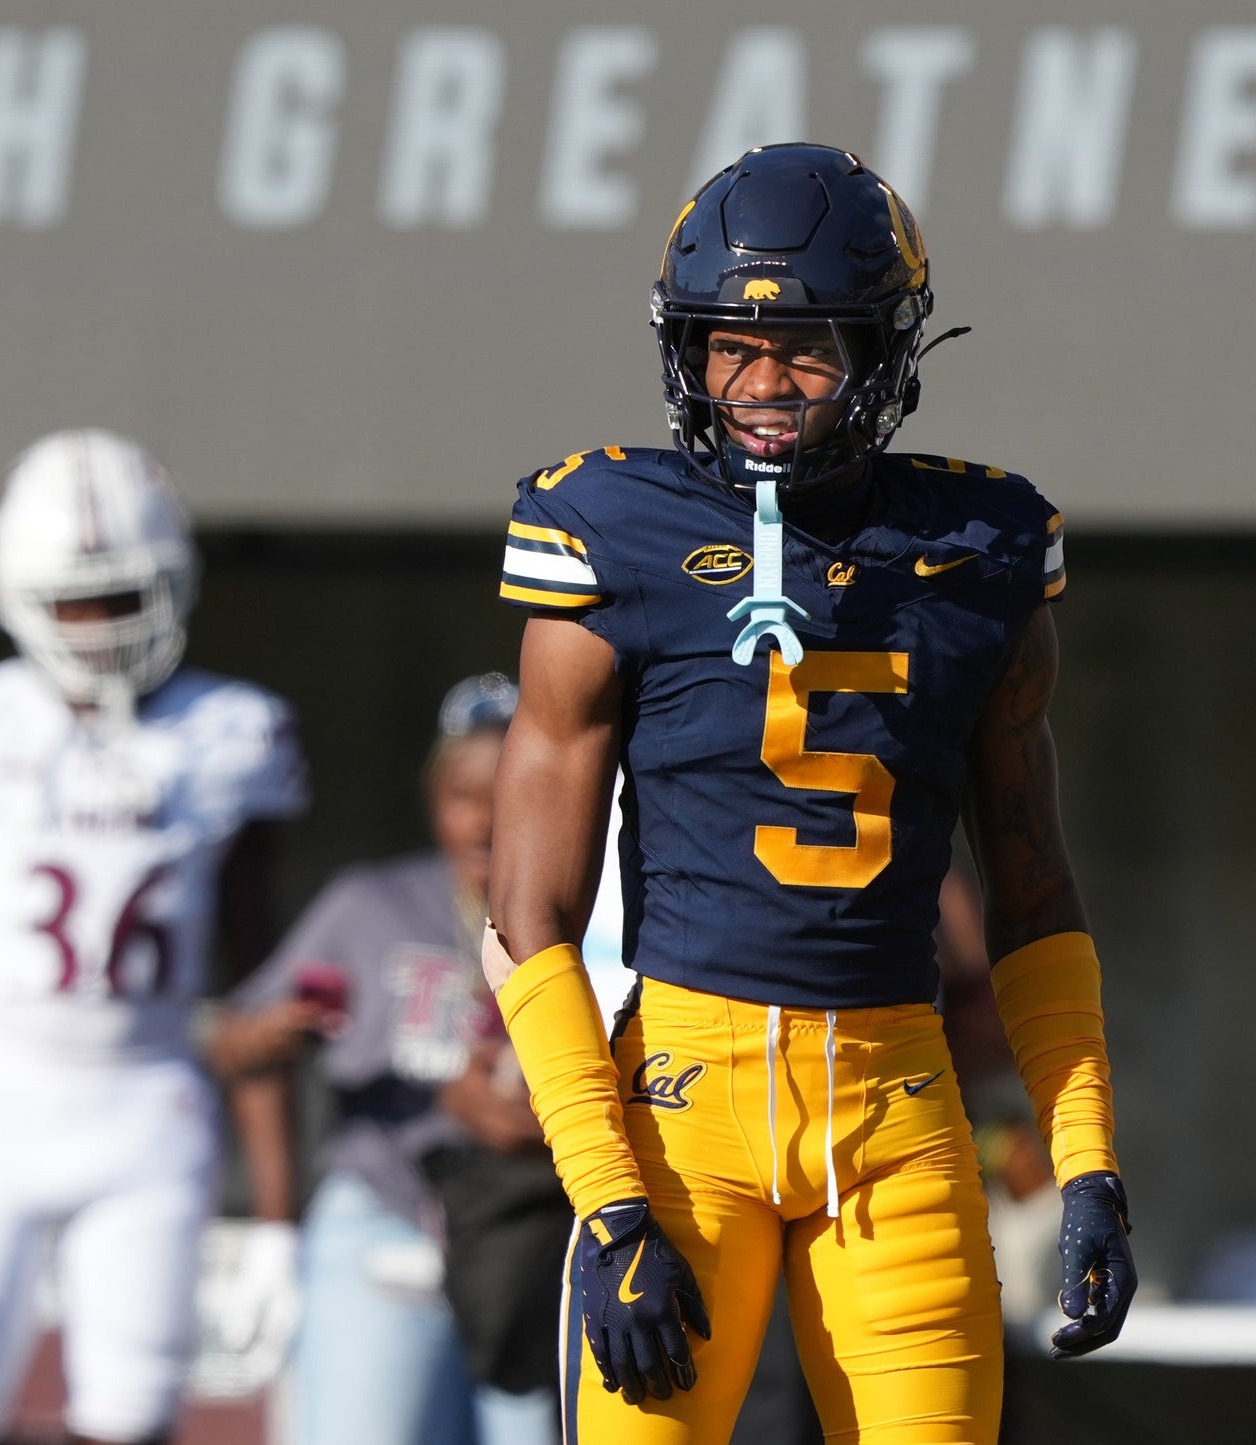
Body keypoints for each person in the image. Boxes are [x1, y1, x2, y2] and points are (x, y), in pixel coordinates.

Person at [485, 143, 1138, 1444]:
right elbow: (525, 913)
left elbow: (1031, 892)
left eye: (808, 349)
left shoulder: (982, 547)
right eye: (731, 345)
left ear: (884, 353)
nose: (762, 385)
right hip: (679, 1113)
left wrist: (1087, 1160)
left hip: (896, 1106)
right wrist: (608, 1198)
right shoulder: (606, 528)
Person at [0, 428, 306, 1445]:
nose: (100, 626)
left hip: (148, 1102)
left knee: (132, 1412)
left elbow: (259, 995)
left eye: (124, 595)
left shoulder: (232, 728)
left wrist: (280, 1214)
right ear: (16, 591)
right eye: (75, 596)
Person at [213, 673, 563, 1445]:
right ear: (433, 798)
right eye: (462, 794)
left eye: (506, 791)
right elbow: (236, 1041)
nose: (484, 818)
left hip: (537, 1233)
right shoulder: (372, 903)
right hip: (388, 1213)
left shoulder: (597, 908)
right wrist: (274, 1034)